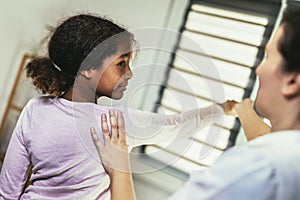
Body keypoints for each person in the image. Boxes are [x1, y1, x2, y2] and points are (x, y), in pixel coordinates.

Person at [0, 13, 235, 199]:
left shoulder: (34, 110)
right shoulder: (115, 123)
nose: (130, 73)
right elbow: (176, 124)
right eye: (121, 64)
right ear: (88, 69)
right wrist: (221, 109)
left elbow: (8, 192)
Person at [93, 7, 300, 200]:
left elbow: (173, 125)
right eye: (121, 64)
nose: (258, 70)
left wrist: (120, 167)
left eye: (268, 57)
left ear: (292, 81)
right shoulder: (288, 157)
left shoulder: (254, 168)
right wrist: (240, 111)